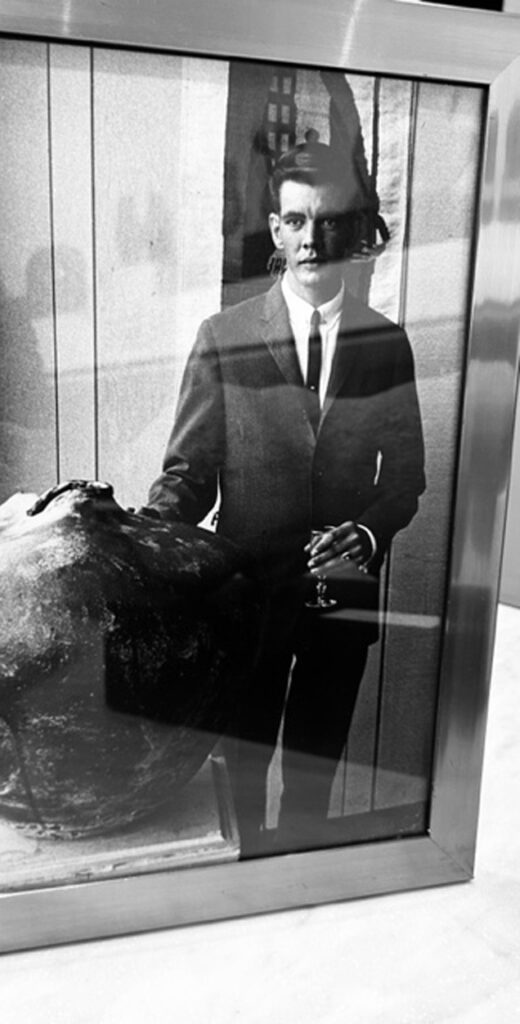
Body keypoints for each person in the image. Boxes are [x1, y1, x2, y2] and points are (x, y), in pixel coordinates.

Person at [145, 135, 426, 856]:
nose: (312, 240)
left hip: (343, 603)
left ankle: (300, 893)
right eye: (297, 221)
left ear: (352, 231)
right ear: (276, 229)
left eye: (329, 222)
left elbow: (405, 480)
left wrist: (367, 536)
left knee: (311, 784)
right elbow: (188, 476)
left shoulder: (387, 344)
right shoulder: (224, 338)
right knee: (237, 784)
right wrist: (143, 546)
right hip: (249, 604)